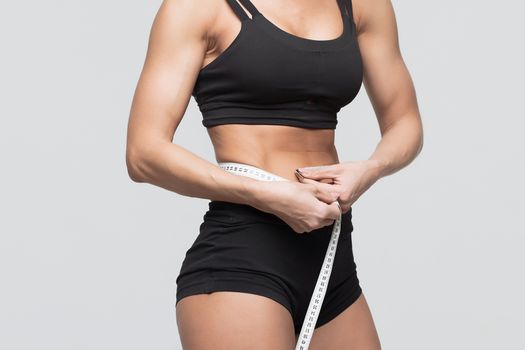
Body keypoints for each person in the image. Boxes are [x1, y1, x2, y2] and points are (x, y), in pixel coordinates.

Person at [126, 0, 423, 348]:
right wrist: (267, 194)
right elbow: (143, 154)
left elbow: (405, 122)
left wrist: (371, 169)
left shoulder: (361, 5)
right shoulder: (198, 7)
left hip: (332, 256)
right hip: (244, 256)